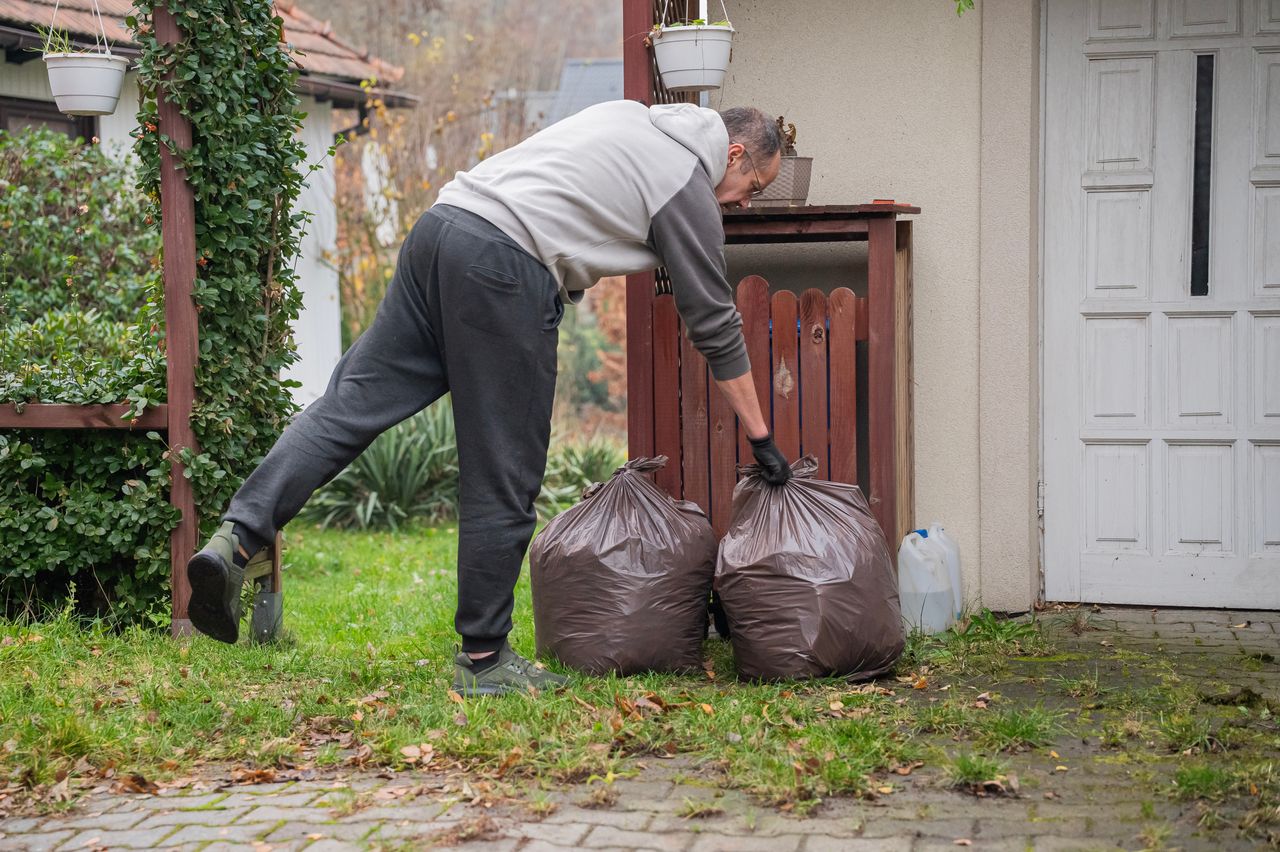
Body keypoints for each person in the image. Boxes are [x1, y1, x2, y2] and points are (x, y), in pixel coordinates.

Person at [185, 100, 794, 696]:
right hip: (503, 267)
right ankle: (483, 659)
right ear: (733, 153)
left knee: (346, 407)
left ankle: (237, 538)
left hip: (442, 228)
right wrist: (762, 438)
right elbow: (714, 323)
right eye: (753, 186)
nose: (744, 202)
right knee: (505, 465)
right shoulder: (686, 179)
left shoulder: (632, 118)